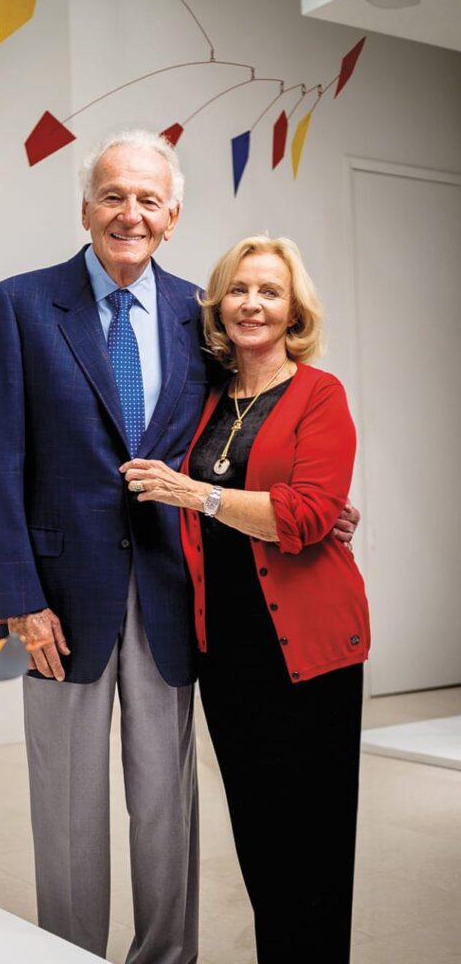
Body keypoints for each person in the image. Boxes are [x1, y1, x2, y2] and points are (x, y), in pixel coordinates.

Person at [0, 133, 357, 963]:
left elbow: (235, 433)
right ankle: (68, 954)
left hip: (175, 589)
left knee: (166, 804)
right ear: (86, 208)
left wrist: (318, 505)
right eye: (113, 196)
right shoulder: (21, 304)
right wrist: (18, 603)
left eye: (149, 200)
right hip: (55, 602)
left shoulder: (200, 315)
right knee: (66, 804)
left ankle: (166, 956)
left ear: (172, 217)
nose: (130, 214)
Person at [121, 235, 370, 964]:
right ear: (218, 306)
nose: (252, 304)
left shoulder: (320, 393)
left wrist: (197, 493)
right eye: (238, 289)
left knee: (314, 847)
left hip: (311, 651)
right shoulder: (204, 398)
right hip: (227, 652)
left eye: (269, 291)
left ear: (294, 311)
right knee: (261, 841)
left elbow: (307, 515)